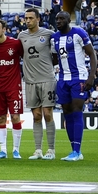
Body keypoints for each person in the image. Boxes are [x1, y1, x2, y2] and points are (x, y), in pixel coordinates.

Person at [52, 11, 97, 161]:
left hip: (79, 78)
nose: (58, 21)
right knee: (67, 112)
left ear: (68, 20)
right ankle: (74, 151)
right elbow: (54, 59)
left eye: (61, 19)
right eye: (57, 19)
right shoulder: (54, 38)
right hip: (63, 79)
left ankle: (77, 151)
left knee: (77, 110)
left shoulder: (79, 33)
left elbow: (92, 54)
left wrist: (91, 76)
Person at [18, 8, 58, 160]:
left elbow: (55, 56)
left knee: (48, 113)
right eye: (26, 18)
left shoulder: (48, 34)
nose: (27, 21)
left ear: (38, 19)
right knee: (36, 116)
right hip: (30, 80)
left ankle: (51, 150)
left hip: (47, 78)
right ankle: (38, 150)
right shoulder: (22, 36)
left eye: (30, 18)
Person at [0, 19, 25, 159]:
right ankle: (3, 150)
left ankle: (16, 150)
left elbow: (25, 59)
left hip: (13, 86)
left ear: (4, 29)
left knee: (15, 117)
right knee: (1, 118)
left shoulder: (15, 44)